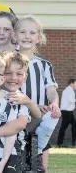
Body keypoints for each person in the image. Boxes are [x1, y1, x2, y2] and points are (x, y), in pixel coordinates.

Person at [15, 15, 61, 172]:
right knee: (18, 165)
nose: (27, 36)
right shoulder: (8, 61)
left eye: (32, 33)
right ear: (15, 35)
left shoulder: (44, 65)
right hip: (16, 120)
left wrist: (54, 104)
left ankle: (39, 148)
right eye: (22, 32)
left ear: (39, 37)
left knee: (40, 168)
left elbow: (51, 90)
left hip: (39, 121)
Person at [57, 79, 76, 147]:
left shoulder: (69, 90)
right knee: (64, 127)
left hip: (69, 112)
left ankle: (73, 142)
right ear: (72, 83)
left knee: (73, 126)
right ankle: (60, 143)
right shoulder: (68, 90)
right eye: (75, 84)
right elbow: (71, 100)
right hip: (66, 112)